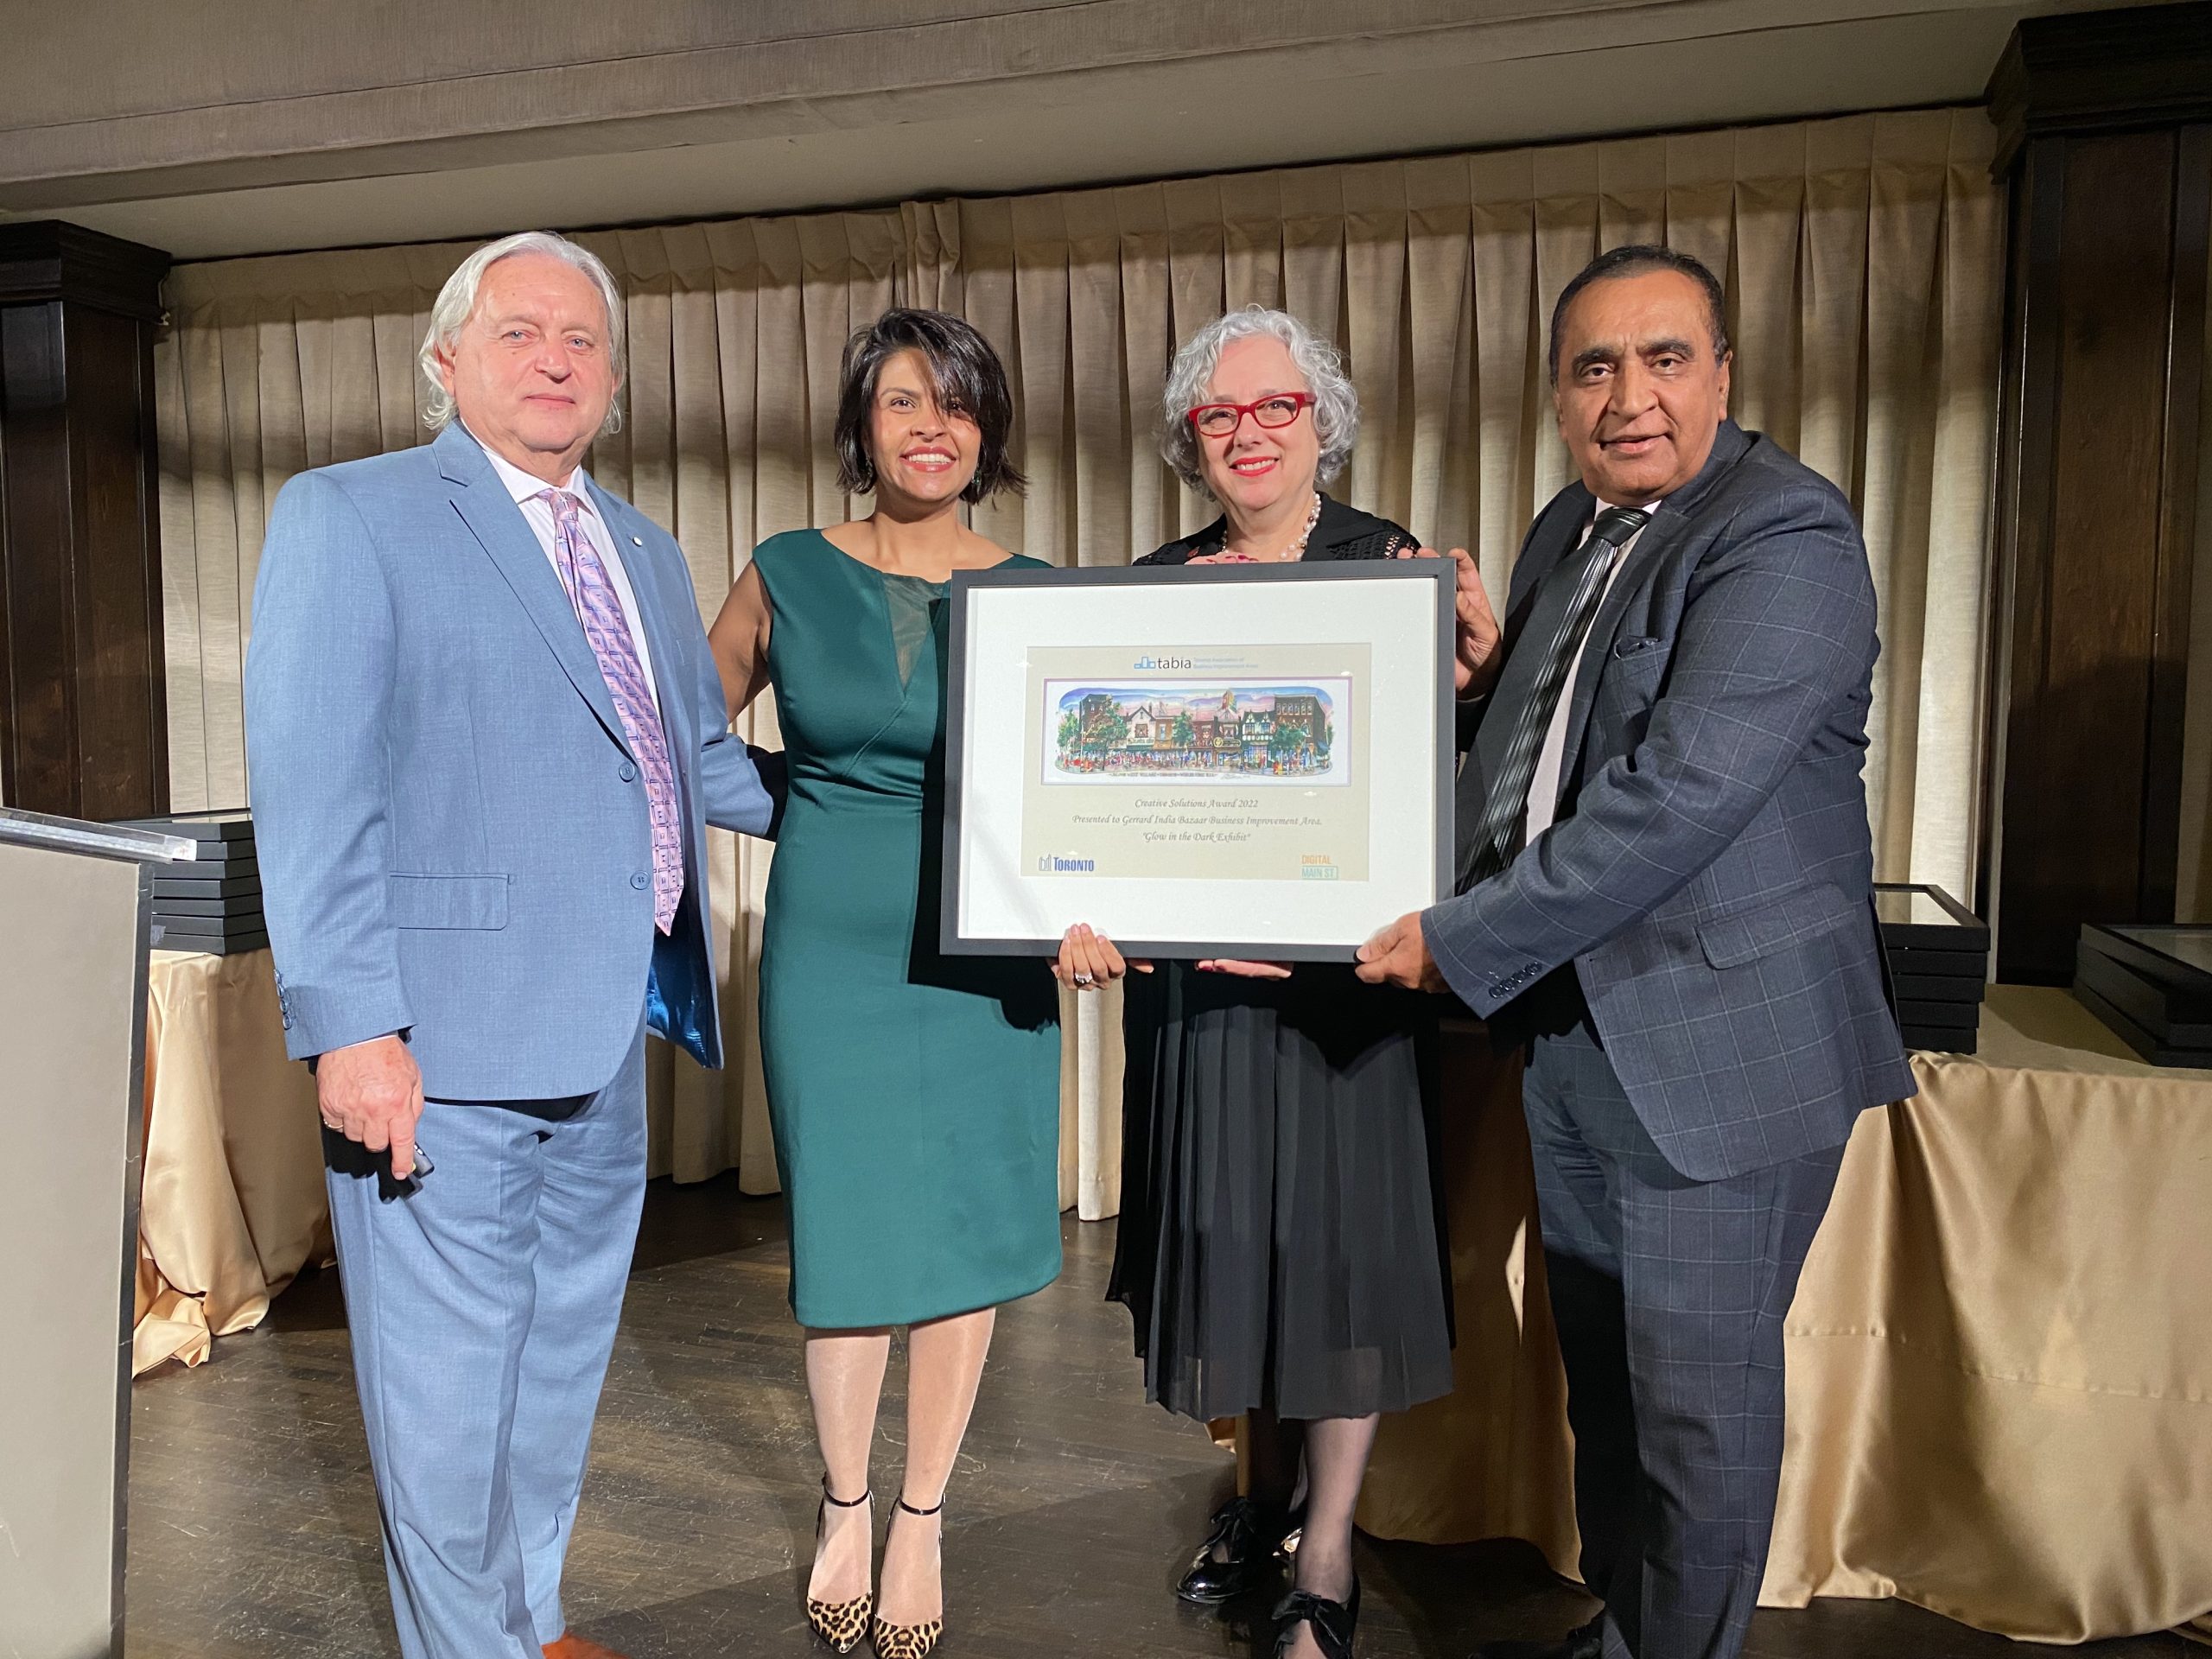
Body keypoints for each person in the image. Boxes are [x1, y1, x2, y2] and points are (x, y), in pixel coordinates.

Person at [1356, 245, 1915, 1659]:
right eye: (1595, 368)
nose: (1630, 397)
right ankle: (1635, 1631)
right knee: (1608, 1396)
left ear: (1723, 374)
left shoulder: (1785, 533)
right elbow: (1556, 748)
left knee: (1693, 1415)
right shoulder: (1572, 525)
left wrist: (1460, 941)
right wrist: (1475, 683)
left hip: (1722, 1050)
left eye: (1666, 359)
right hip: (1578, 1034)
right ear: (1558, 396)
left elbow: (1679, 794)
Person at [245, 232, 781, 1659]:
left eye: (582, 338)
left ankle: (525, 1625)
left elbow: (700, 765)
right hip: (433, 1051)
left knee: (551, 1386)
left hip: (606, 1040)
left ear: (613, 377)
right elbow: (312, 792)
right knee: (442, 1410)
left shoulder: (645, 549)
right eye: (519, 332)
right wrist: (353, 1028)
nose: (556, 359)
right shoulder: (349, 514)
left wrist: (926, 816)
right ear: (447, 361)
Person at [1057, 304, 1492, 1659]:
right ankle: (1258, 1499)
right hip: (1204, 1005)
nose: (1248, 432)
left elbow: (1449, 783)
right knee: (1233, 1254)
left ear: (1323, 423)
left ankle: (1331, 1543)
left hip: (1344, 999)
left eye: (1277, 407)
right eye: (1220, 413)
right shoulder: (1150, 587)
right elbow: (1103, 792)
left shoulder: (1392, 569)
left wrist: (1473, 683)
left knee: (1339, 1270)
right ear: (1192, 437)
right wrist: (1075, 900)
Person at [707, 309, 1065, 1659]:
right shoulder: (786, 569)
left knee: (962, 1224)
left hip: (988, 953)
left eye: (957, 404)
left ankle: (923, 1515)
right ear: (863, 423)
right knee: (850, 1223)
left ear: (987, 433)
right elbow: (685, 736)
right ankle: (846, 1501)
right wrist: (809, 811)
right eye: (905, 400)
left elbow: (1091, 783)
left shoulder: (1041, 593)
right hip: (833, 948)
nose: (932, 427)